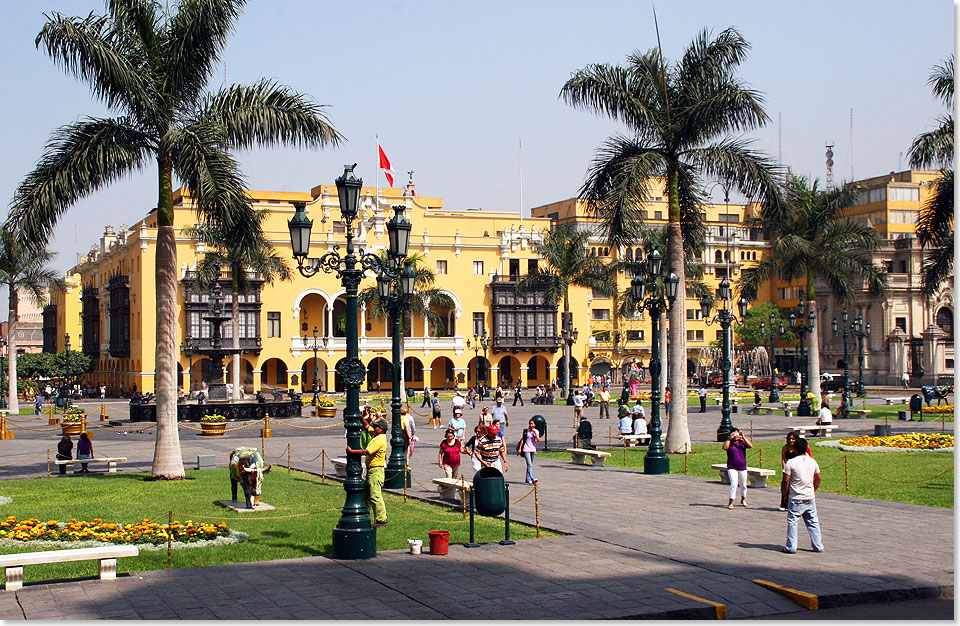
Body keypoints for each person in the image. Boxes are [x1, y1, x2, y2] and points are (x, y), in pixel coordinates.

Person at [782, 438, 823, 553]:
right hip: (809, 496)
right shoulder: (812, 461)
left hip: (796, 497)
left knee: (793, 521)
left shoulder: (791, 462)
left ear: (795, 449)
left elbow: (786, 480)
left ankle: (791, 546)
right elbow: (818, 478)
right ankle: (818, 545)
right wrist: (813, 489)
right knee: (813, 521)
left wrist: (785, 494)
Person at [345, 418, 388, 527]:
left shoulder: (380, 440)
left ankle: (382, 519)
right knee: (366, 495)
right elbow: (367, 426)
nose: (374, 428)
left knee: (375, 495)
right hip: (371, 470)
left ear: (381, 429)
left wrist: (351, 452)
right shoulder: (377, 435)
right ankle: (366, 514)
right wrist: (361, 417)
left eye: (376, 427)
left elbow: (366, 451)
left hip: (376, 470)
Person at [779, 431, 813, 510]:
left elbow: (809, 456)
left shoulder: (799, 447)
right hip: (788, 468)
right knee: (785, 484)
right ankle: (784, 503)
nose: (791, 441)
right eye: (789, 439)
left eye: (793, 439)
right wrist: (785, 468)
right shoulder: (785, 447)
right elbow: (783, 459)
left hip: (797, 468)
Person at [722, 428, 752, 509]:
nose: (736, 436)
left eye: (737, 434)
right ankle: (730, 502)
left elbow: (751, 445)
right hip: (732, 467)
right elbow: (725, 447)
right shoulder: (729, 442)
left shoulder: (742, 442)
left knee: (743, 485)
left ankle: (743, 499)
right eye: (734, 434)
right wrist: (730, 438)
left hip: (742, 467)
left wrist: (743, 437)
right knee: (734, 484)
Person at [518, 419, 541, 483]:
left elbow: (538, 440)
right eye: (530, 424)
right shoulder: (526, 431)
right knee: (529, 464)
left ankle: (528, 479)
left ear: (535, 425)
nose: (531, 425)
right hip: (526, 449)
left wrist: (535, 433)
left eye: (532, 424)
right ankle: (533, 478)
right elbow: (523, 439)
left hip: (533, 449)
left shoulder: (536, 431)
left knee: (530, 465)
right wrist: (520, 448)